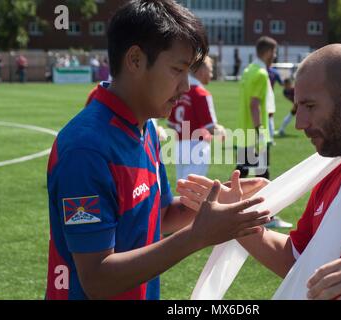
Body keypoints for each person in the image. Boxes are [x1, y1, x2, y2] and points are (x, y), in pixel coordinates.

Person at [45, 0, 269, 300]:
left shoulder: (145, 127)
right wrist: (197, 236)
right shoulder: (86, 150)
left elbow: (161, 215)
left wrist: (215, 204)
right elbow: (97, 279)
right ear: (135, 60)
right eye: (177, 70)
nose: (185, 87)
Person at [178, 44, 341, 299]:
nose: (300, 122)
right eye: (298, 106)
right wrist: (240, 221)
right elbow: (299, 261)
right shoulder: (331, 172)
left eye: (310, 106)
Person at [167, 56, 226, 181]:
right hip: (197, 147)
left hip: (179, 146)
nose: (211, 73)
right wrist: (221, 131)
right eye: (210, 69)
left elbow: (170, 124)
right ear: (201, 70)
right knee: (193, 192)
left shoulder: (178, 92)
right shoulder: (201, 93)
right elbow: (210, 127)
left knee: (183, 189)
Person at [236, 36, 277, 179]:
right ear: (268, 53)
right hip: (255, 134)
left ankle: (221, 197)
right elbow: (254, 105)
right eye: (274, 52)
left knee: (241, 173)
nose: (275, 56)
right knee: (263, 176)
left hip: (244, 131)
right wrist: (260, 132)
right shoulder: (261, 73)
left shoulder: (248, 70)